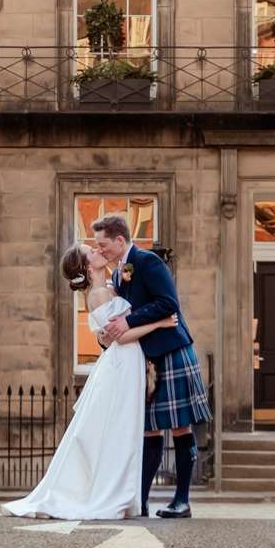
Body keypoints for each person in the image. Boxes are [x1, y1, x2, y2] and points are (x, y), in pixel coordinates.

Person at [3, 242, 176, 520]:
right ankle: (113, 495)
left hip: (127, 362)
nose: (97, 249)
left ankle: (123, 494)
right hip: (122, 364)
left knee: (122, 431)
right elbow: (122, 336)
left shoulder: (108, 287)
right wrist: (160, 323)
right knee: (119, 431)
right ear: (86, 266)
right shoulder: (97, 294)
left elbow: (111, 335)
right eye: (91, 251)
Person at [90, 211, 210, 520]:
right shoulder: (119, 273)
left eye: (103, 244)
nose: (99, 249)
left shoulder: (148, 262)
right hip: (146, 358)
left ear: (120, 240)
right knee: (148, 430)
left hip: (171, 351)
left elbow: (169, 303)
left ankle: (182, 500)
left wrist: (128, 320)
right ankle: (140, 501)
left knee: (180, 426)